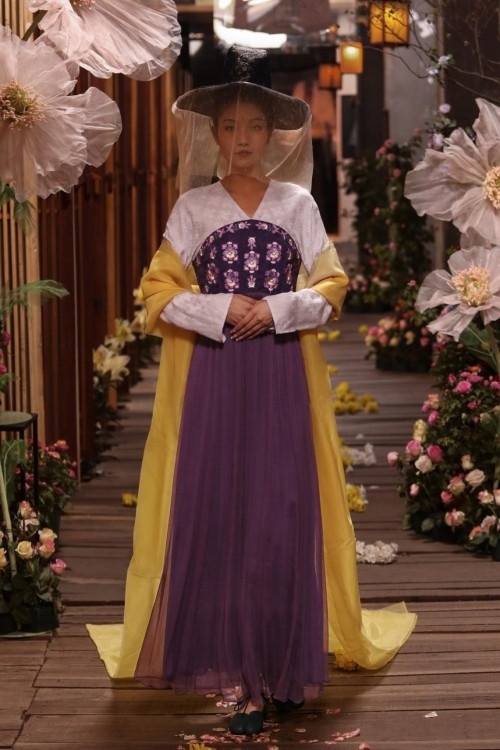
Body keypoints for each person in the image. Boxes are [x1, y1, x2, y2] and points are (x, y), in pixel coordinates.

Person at [88, 45, 416, 737]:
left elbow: (331, 286)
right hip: (214, 376)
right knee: (225, 513)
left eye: (254, 126)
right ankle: (243, 681)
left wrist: (276, 309)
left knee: (283, 513)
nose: (241, 139)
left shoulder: (297, 205)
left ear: (274, 134)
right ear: (214, 133)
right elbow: (157, 291)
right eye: (230, 126)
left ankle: (287, 667)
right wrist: (220, 307)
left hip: (281, 371)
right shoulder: (193, 207)